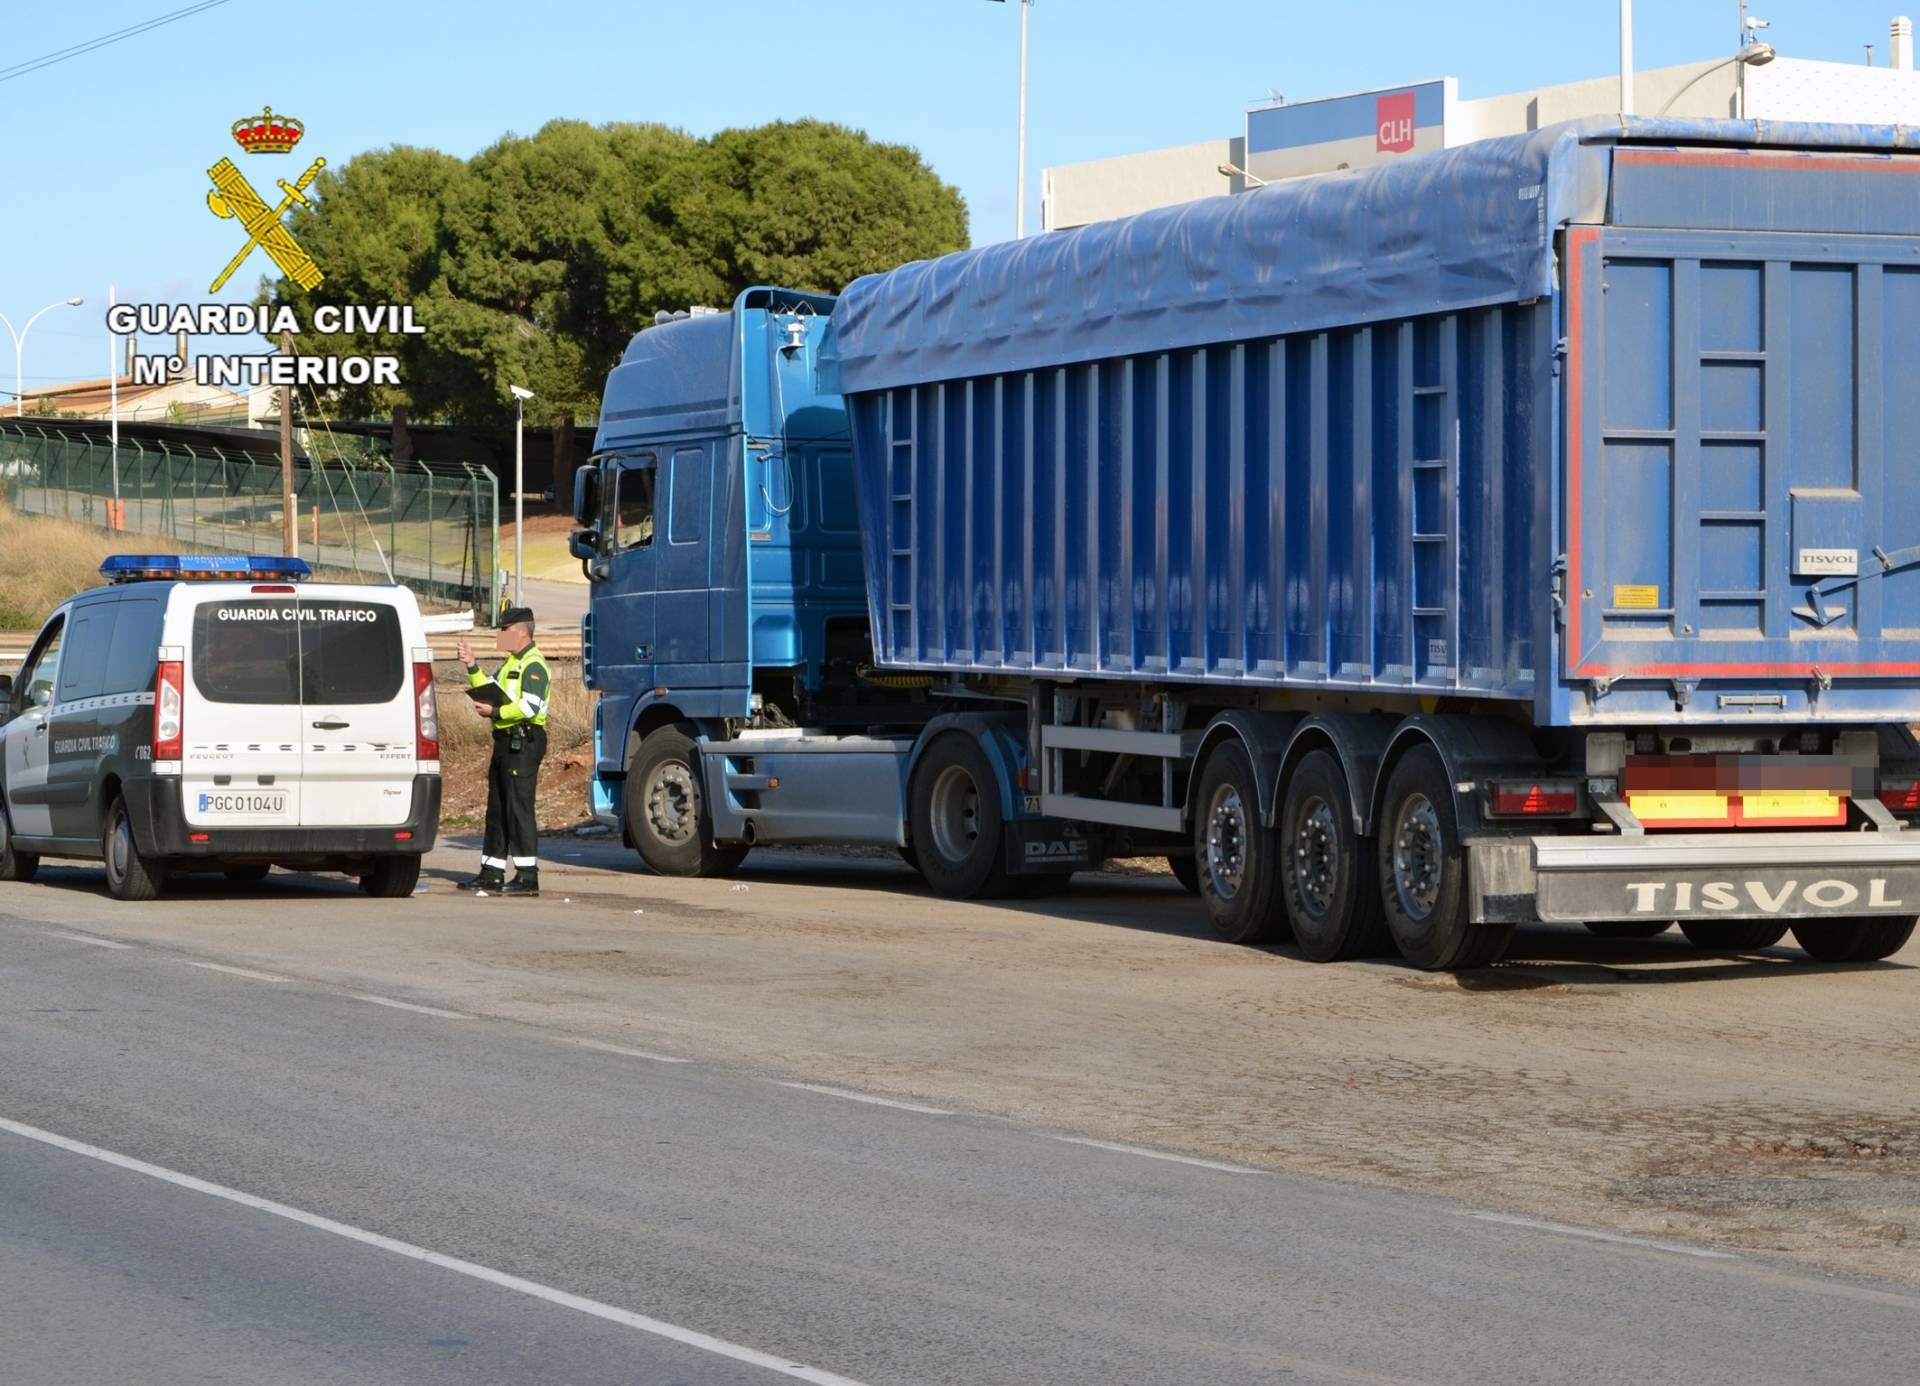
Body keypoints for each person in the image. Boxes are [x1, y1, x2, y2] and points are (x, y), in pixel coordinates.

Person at [455, 606, 551, 896]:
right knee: (497, 809)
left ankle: (527, 877)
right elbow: (489, 687)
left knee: (518, 809)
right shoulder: (511, 663)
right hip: (505, 742)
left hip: (523, 741)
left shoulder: (533, 664)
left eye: (504, 630)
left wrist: (495, 710)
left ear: (521, 631)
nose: (500, 636)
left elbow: (530, 707)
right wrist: (472, 666)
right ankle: (491, 872)